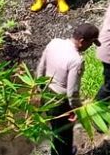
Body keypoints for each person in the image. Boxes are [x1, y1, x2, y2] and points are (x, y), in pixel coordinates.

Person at [37, 23, 100, 155]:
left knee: (55, 130)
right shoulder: (76, 60)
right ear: (82, 42)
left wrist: (40, 90)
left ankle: (55, 151)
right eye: (90, 44)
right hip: (60, 102)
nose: (89, 47)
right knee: (64, 135)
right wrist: (77, 110)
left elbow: (40, 69)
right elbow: (72, 93)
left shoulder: (54, 43)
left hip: (47, 95)